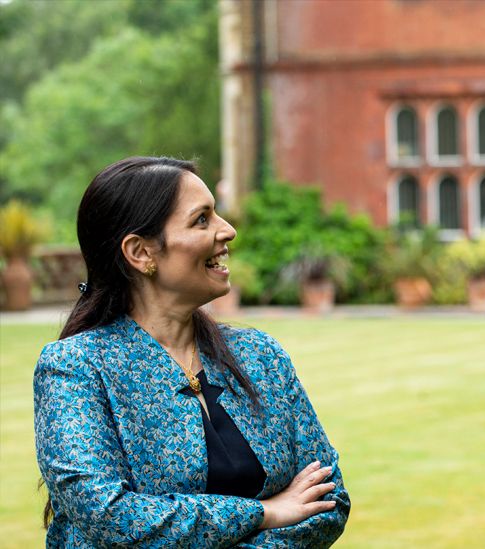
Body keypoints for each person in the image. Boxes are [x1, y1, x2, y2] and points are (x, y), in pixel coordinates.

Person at [34, 157, 350, 547]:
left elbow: (327, 498)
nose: (228, 231)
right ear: (141, 252)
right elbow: (111, 516)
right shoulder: (75, 369)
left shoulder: (260, 356)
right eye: (202, 219)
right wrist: (265, 512)